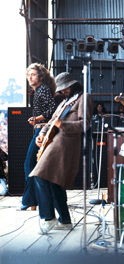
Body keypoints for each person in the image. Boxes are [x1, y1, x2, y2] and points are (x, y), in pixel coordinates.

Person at [29, 72, 94, 233]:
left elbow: (85, 124)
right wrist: (42, 134)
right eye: (62, 89)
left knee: (39, 175)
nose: (64, 91)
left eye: (66, 88)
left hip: (66, 145)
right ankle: (65, 220)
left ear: (73, 85)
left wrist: (63, 125)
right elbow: (51, 121)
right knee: (53, 181)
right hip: (52, 143)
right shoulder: (65, 101)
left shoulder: (84, 97)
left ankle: (48, 218)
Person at [18, 63, 58, 211]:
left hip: (42, 130)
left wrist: (37, 118)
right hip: (40, 128)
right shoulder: (39, 90)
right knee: (34, 165)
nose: (30, 77)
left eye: (33, 74)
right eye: (29, 75)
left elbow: (52, 109)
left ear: (41, 76)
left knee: (29, 164)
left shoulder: (43, 89)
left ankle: (30, 200)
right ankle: (33, 201)